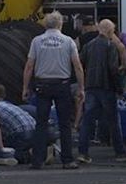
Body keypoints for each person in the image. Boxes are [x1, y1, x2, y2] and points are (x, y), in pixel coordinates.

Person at [23, 11, 85, 170]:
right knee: (64, 123)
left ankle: (37, 160)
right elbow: (77, 66)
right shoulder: (68, 41)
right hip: (62, 85)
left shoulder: (37, 41)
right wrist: (81, 87)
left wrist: (25, 87)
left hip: (42, 85)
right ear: (60, 24)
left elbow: (29, 66)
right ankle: (67, 159)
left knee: (41, 123)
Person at [77, 19, 126, 164]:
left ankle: (83, 152)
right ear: (108, 31)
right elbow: (113, 69)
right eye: (112, 31)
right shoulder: (110, 46)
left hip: (91, 86)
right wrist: (119, 88)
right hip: (106, 87)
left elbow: (80, 63)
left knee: (87, 120)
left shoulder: (88, 45)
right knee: (113, 121)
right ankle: (120, 152)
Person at [0, 84, 36, 164]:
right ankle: (39, 153)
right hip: (34, 130)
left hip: (20, 134)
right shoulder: (9, 105)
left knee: (4, 151)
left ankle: (27, 156)